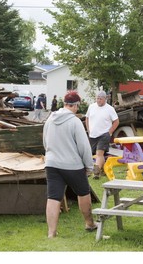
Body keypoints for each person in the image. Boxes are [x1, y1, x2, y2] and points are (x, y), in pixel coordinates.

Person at [43, 90, 97, 238]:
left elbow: (45, 142)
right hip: (72, 165)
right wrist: (89, 166)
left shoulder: (50, 119)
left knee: (53, 197)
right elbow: (84, 147)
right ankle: (89, 223)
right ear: (75, 105)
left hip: (52, 164)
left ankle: (51, 233)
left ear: (64, 104)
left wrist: (50, 156)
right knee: (83, 193)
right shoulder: (75, 122)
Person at [85, 90, 119, 179]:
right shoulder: (91, 107)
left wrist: (110, 132)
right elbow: (87, 118)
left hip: (104, 134)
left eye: (100, 99)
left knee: (99, 153)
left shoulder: (110, 109)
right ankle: (103, 170)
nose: (98, 100)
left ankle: (96, 173)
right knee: (98, 154)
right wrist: (88, 130)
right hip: (93, 134)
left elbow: (116, 121)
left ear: (105, 99)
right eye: (97, 98)